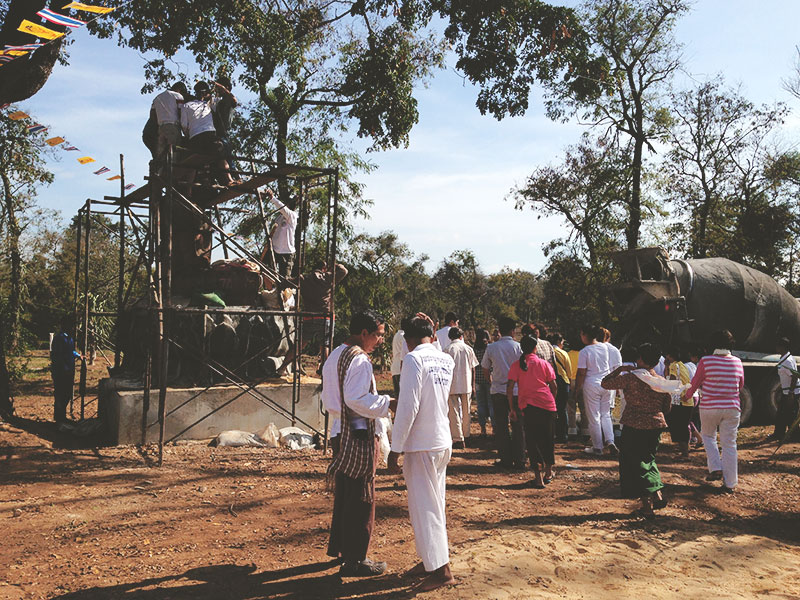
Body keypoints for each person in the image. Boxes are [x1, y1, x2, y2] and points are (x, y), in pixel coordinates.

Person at [323, 310, 395, 576]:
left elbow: (333, 397)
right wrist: (387, 403)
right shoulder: (359, 360)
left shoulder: (335, 354)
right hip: (358, 431)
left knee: (346, 493)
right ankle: (356, 559)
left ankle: (343, 548)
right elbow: (356, 399)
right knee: (363, 496)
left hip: (340, 430)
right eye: (378, 335)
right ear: (364, 333)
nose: (379, 341)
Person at [388, 314, 456, 592]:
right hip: (441, 442)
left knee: (424, 509)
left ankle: (442, 571)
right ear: (432, 334)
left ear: (407, 339)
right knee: (434, 505)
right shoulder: (445, 359)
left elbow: (407, 408)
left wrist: (395, 448)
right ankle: (431, 561)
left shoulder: (414, 360)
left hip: (421, 445)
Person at [601, 343, 675, 518]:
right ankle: (657, 494)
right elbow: (667, 407)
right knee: (648, 459)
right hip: (655, 425)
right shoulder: (661, 382)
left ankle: (647, 506)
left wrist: (619, 369)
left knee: (635, 464)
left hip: (634, 425)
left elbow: (605, 383)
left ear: (640, 359)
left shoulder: (631, 378)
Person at [683, 330, 744, 493]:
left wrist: (686, 396)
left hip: (709, 407)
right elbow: (741, 385)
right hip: (732, 408)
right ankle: (730, 484)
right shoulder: (738, 362)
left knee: (708, 436)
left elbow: (695, 383)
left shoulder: (706, 361)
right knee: (730, 444)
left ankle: (716, 467)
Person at [276, 262, 348, 377]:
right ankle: (327, 374)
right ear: (323, 269)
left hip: (309, 316)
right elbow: (344, 271)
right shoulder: (328, 277)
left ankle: (282, 368)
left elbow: (284, 283)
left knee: (299, 345)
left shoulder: (303, 278)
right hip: (325, 317)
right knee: (325, 345)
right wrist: (334, 264)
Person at [507, 335, 557, 489]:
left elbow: (509, 388)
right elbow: (554, 385)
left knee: (532, 441)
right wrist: (552, 401)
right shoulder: (544, 364)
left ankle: (538, 477)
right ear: (536, 348)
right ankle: (549, 472)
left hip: (528, 406)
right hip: (547, 405)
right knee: (548, 439)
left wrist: (512, 408)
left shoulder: (517, 365)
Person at [481, 316, 525, 469]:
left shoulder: (492, 347)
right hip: (516, 390)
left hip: (498, 390)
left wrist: (491, 380)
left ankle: (505, 458)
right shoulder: (519, 347)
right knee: (518, 425)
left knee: (501, 425)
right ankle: (520, 459)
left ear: (499, 330)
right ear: (513, 331)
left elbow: (485, 368)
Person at [180, 81, 237, 185]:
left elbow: (184, 125)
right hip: (210, 135)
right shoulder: (208, 105)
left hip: (194, 137)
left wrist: (189, 134)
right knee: (220, 156)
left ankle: (188, 190)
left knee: (194, 164)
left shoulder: (186, 106)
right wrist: (222, 88)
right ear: (205, 93)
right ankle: (229, 180)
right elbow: (233, 100)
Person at [574, 324, 617, 456]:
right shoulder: (605, 347)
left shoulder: (585, 351)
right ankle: (610, 440)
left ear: (585, 335)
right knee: (606, 414)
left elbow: (581, 373)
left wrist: (577, 389)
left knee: (594, 417)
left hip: (592, 384)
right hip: (606, 383)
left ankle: (597, 447)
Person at [445, 327, 479, 449]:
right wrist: (473, 385)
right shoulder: (468, 348)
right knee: (466, 411)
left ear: (450, 337)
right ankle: (466, 435)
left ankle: (458, 438)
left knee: (453, 411)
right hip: (466, 383)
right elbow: (473, 368)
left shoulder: (447, 350)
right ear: (461, 336)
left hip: (452, 384)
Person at [766, 337, 799, 442]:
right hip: (786, 391)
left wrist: (791, 393)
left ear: (783, 347)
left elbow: (794, 376)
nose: (776, 348)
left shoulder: (787, 361)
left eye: (778, 346)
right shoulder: (784, 358)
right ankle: (778, 434)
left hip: (792, 392)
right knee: (781, 413)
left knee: (791, 415)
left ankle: (794, 437)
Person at [664, 345, 694, 458]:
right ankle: (685, 451)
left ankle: (685, 454)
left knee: (678, 427)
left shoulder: (673, 365)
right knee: (683, 427)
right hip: (688, 401)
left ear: (670, 356)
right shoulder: (682, 366)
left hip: (680, 401)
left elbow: (670, 380)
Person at [50, 315, 81, 424]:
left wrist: (78, 356)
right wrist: (63, 369)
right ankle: (59, 418)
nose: (73, 327)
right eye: (71, 325)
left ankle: (61, 416)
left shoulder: (69, 338)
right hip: (61, 372)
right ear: (65, 325)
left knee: (66, 394)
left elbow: (71, 351)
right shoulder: (60, 338)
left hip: (68, 370)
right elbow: (57, 356)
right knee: (60, 394)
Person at [149, 82, 187, 163]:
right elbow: (181, 112)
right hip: (173, 127)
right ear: (179, 89)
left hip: (161, 128)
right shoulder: (178, 96)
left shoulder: (157, 98)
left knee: (161, 154)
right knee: (173, 152)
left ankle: (161, 172)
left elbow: (152, 115)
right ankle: (172, 173)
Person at [265, 188, 298, 279]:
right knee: (266, 272)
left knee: (284, 279)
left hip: (287, 252)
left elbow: (283, 209)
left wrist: (272, 198)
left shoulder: (292, 216)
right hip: (275, 250)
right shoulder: (279, 217)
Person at [211, 75, 238, 167]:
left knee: (227, 156)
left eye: (219, 88)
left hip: (223, 133)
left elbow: (234, 100)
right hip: (217, 133)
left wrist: (222, 88)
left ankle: (235, 176)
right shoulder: (219, 102)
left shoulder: (227, 100)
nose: (217, 91)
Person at [550, 332, 572, 443]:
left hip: (550, 382)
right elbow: (569, 371)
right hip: (563, 382)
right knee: (562, 409)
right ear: (559, 342)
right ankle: (563, 435)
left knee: (551, 409)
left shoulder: (548, 352)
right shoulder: (563, 353)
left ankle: (552, 432)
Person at [473, 328, 493, 436]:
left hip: (478, 380)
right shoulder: (489, 348)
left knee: (480, 405)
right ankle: (494, 429)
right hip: (489, 379)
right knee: (491, 404)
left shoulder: (474, 349)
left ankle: (483, 429)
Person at [391, 318, 410, 398]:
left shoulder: (397, 335)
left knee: (398, 396)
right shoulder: (404, 337)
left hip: (395, 368)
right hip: (400, 368)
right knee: (402, 397)